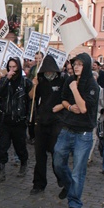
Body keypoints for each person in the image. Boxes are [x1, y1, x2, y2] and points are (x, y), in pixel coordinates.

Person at [54, 53, 99, 208]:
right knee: (57, 161)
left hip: (83, 134)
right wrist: (69, 107)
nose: (77, 66)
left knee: (78, 171)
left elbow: (84, 108)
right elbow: (64, 99)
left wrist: (75, 89)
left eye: (80, 64)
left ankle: (74, 202)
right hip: (67, 128)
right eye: (75, 64)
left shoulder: (92, 86)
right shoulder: (69, 79)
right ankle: (67, 184)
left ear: (86, 66)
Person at [28, 55, 65, 195]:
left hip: (56, 120)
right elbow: (31, 97)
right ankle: (38, 183)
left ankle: (61, 177)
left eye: (51, 71)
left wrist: (61, 106)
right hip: (41, 120)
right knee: (39, 155)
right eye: (46, 71)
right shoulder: (41, 81)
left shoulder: (62, 80)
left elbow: (68, 98)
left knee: (56, 152)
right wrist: (34, 85)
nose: (48, 73)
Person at [0, 57, 33, 182]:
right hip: (5, 119)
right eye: (10, 67)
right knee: (2, 146)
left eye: (14, 67)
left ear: (19, 67)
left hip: (19, 120)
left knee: (19, 146)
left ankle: (23, 163)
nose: (12, 70)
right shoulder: (4, 80)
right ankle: (1, 170)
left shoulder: (25, 82)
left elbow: (31, 99)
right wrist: (6, 79)